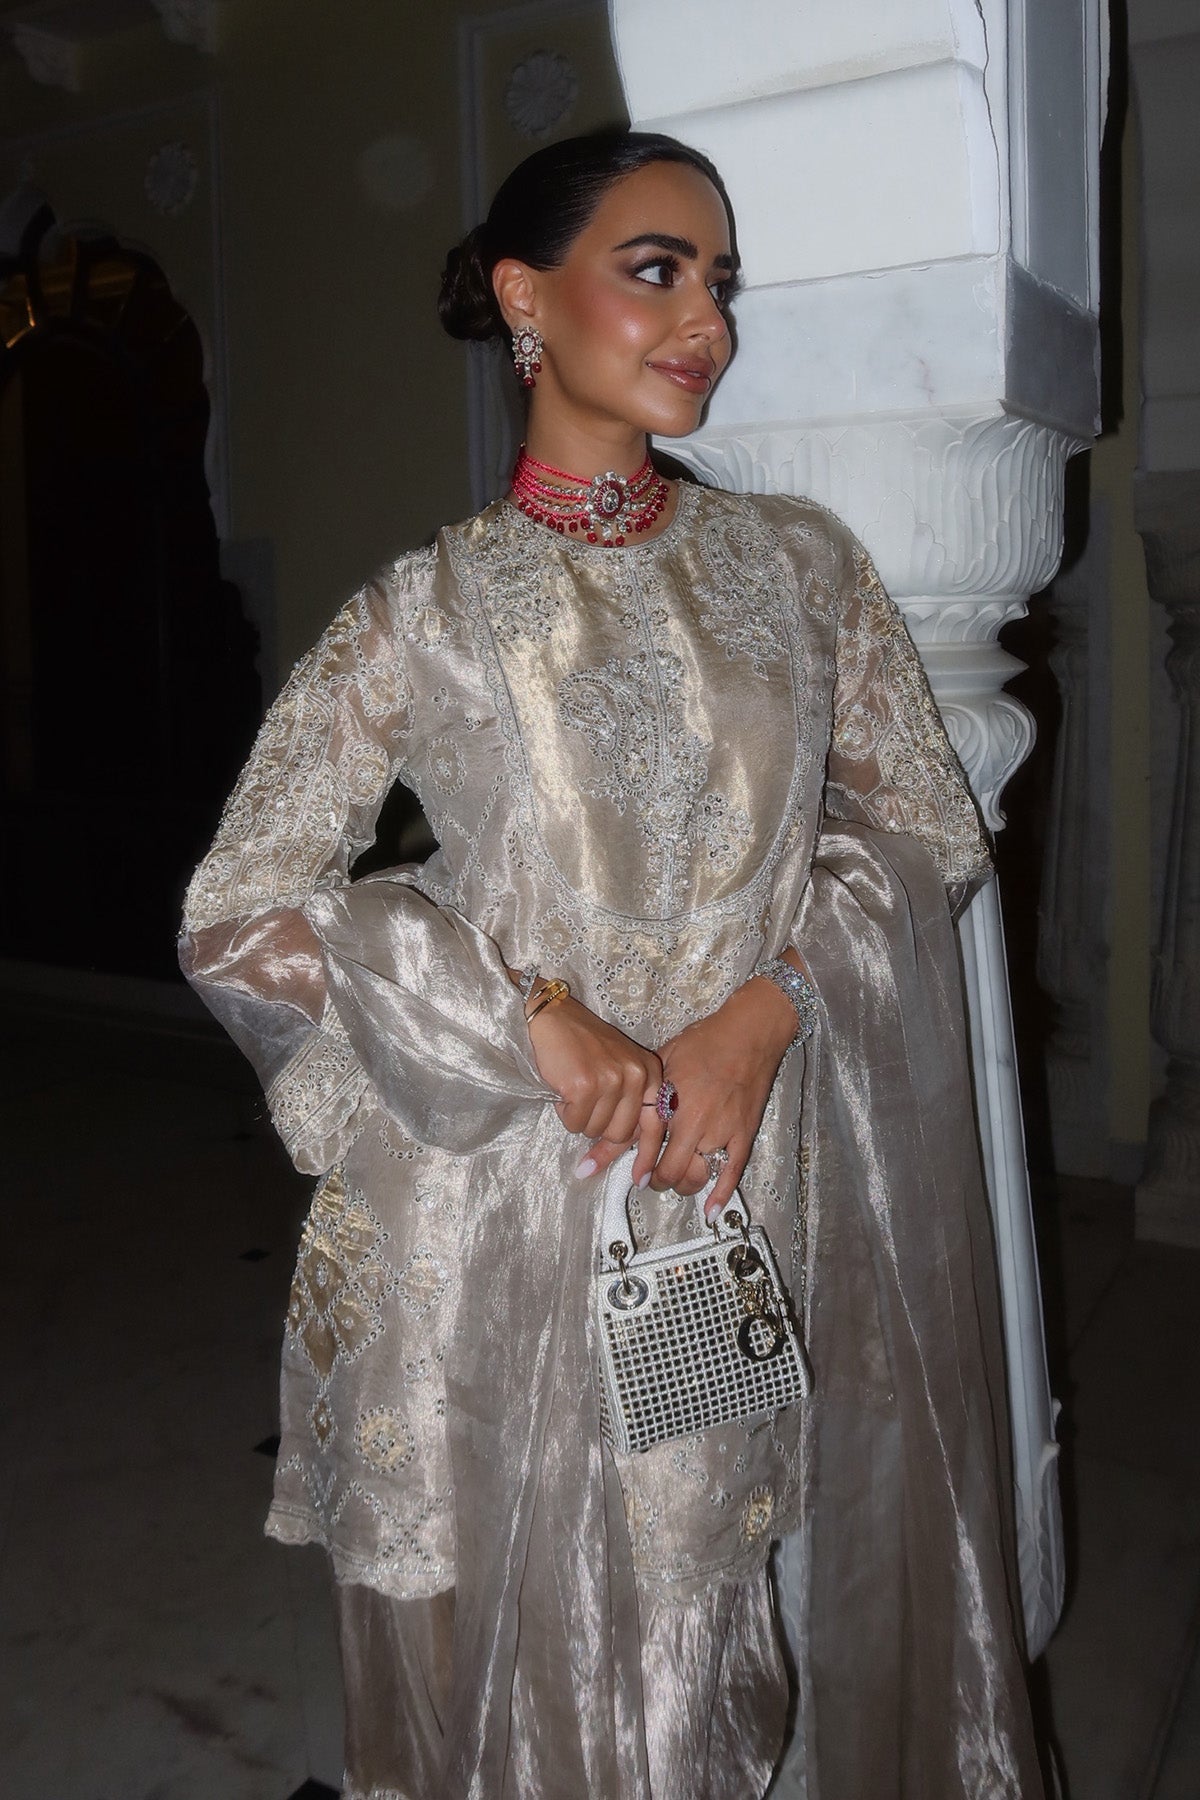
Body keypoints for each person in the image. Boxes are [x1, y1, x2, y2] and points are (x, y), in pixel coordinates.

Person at [181, 130, 1045, 1799]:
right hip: (487, 1204)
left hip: (713, 1187)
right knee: (504, 1630)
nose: (707, 321)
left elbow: (928, 831)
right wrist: (528, 1017)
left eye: (720, 281)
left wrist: (763, 1014)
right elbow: (239, 911)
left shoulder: (800, 567)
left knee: (690, 1616)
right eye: (656, 271)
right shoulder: (425, 611)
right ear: (525, 298)